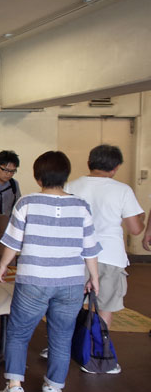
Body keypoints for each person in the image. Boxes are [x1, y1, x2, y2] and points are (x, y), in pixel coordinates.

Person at [0, 151, 101, 392]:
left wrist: (3, 265)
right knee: (62, 336)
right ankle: (53, 389)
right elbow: (89, 248)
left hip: (33, 279)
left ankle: (14, 387)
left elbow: (13, 242)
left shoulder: (27, 203)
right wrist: (94, 277)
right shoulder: (81, 206)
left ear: (37, 176)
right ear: (66, 176)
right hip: (71, 282)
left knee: (19, 333)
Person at [64, 145, 144, 370]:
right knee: (104, 307)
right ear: (116, 167)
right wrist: (143, 219)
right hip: (108, 255)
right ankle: (97, 354)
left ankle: (60, 347)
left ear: (90, 162)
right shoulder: (122, 190)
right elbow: (135, 229)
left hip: (75, 255)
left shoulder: (72, 186)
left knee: (69, 305)